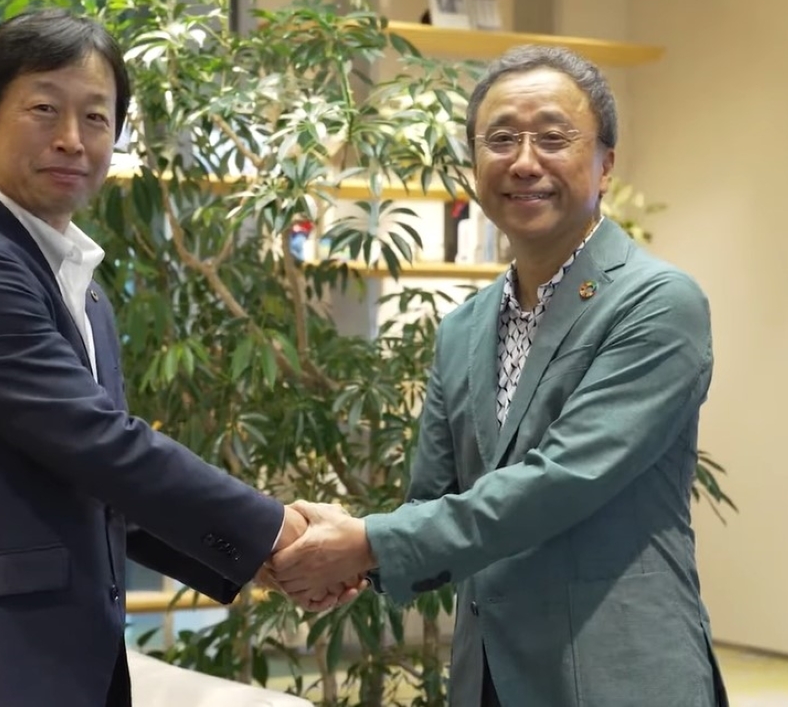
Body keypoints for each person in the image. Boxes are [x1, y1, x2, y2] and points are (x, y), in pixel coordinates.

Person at [0, 8, 339, 707]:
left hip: (46, 662)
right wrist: (274, 532)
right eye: (45, 109)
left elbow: (92, 483)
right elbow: (106, 448)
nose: (72, 139)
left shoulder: (77, 286)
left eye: (96, 118)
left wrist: (256, 559)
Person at [271, 45, 731, 707]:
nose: (524, 161)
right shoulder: (464, 328)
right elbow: (433, 501)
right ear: (474, 164)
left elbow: (559, 482)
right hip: (487, 676)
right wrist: (343, 557)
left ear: (606, 165)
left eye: (553, 138)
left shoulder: (658, 303)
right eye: (502, 139)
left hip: (618, 673)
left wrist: (365, 542)